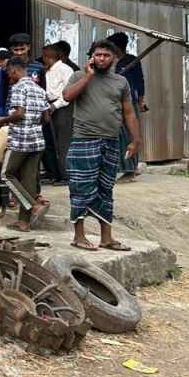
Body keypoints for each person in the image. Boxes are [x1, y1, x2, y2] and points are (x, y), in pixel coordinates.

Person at [63, 39, 140, 252]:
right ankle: (79, 236)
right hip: (84, 140)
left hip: (111, 141)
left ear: (114, 58)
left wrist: (135, 139)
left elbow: (128, 112)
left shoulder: (120, 82)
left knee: (106, 188)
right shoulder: (79, 75)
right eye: (98, 55)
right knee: (81, 188)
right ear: (91, 57)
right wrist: (88, 75)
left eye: (106, 55)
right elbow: (67, 96)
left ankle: (106, 238)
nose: (102, 59)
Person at [0, 57, 51, 232]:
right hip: (37, 140)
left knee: (6, 175)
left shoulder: (18, 87)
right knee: (28, 182)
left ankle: (32, 206)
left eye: (9, 73)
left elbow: (19, 114)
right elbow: (46, 118)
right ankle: (23, 223)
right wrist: (33, 126)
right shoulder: (38, 89)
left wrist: (2, 120)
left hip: (20, 139)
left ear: (12, 70)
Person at [109, 32, 147, 182]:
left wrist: (141, 100)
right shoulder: (116, 62)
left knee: (128, 136)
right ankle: (132, 167)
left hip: (129, 103)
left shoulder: (131, 60)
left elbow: (140, 81)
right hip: (119, 103)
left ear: (116, 47)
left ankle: (130, 171)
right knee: (123, 135)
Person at [42, 44, 75, 184]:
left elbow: (69, 91)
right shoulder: (47, 71)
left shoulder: (65, 69)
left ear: (48, 57)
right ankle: (54, 173)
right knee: (50, 142)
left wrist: (56, 104)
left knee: (63, 142)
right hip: (48, 105)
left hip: (62, 106)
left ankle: (66, 175)